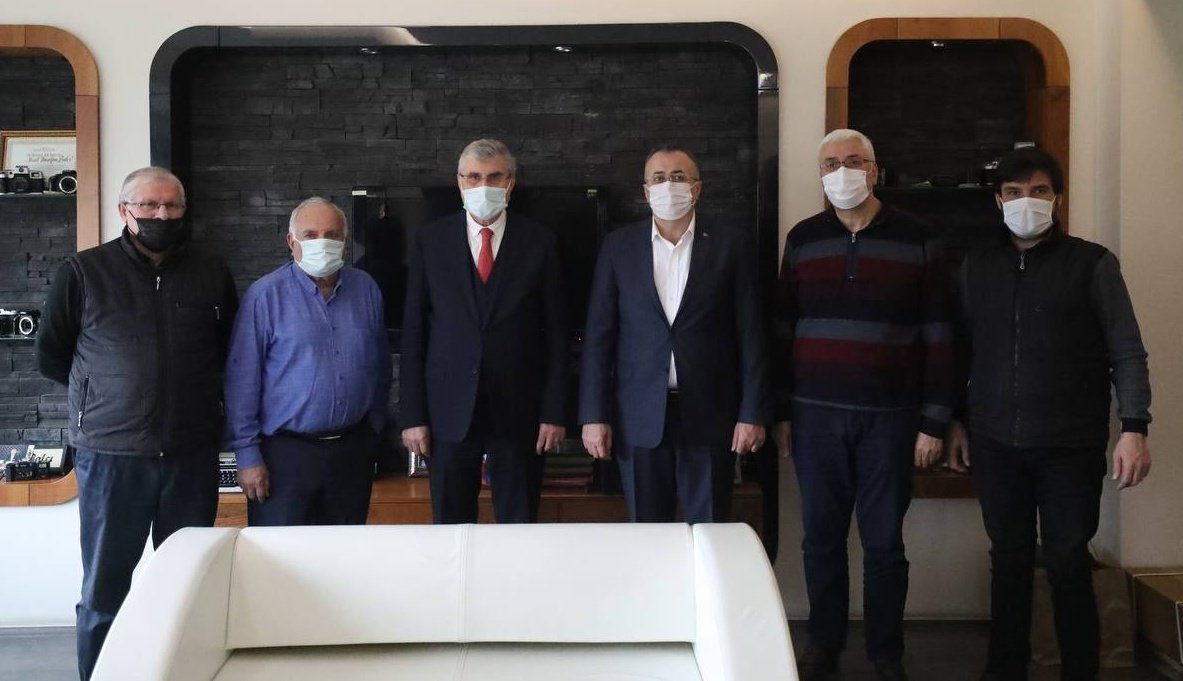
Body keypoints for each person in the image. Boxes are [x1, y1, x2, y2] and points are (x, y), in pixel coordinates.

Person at [947, 147, 1152, 681]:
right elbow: (961, 350)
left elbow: (1127, 350)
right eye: (1014, 192)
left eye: (1039, 190)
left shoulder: (1093, 263)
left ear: (1057, 198)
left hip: (1071, 445)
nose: (1027, 201)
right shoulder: (976, 265)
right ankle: (1004, 670)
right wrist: (956, 420)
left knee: (1067, 562)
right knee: (1009, 560)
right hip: (994, 440)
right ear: (998, 201)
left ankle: (1080, 671)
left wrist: (1134, 427)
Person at [34, 166, 238, 681]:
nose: (161, 215)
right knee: (105, 590)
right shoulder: (83, 272)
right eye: (149, 205)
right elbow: (52, 355)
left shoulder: (211, 271)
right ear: (125, 210)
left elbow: (226, 351)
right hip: (111, 457)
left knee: (188, 585)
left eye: (172, 206)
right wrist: (106, 397)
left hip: (190, 454)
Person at [772, 129, 953, 681]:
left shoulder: (919, 238)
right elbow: (782, 330)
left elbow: (940, 333)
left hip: (891, 420)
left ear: (874, 171)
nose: (842, 171)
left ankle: (885, 653)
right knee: (821, 541)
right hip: (814, 417)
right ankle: (824, 646)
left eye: (853, 161)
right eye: (830, 164)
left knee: (884, 544)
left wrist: (934, 421)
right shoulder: (803, 239)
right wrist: (781, 413)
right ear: (820, 175)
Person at [580, 145, 769, 524]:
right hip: (639, 416)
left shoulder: (730, 245)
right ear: (646, 191)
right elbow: (599, 336)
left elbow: (752, 334)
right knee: (650, 537)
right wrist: (593, 415)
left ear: (697, 189)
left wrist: (752, 413)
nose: (669, 185)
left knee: (709, 534)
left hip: (711, 414)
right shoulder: (619, 247)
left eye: (679, 177)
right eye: (659, 178)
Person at [399, 138, 567, 524]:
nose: (483, 185)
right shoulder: (430, 241)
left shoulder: (540, 241)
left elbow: (557, 335)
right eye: (473, 177)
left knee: (519, 524)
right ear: (459, 182)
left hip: (520, 411)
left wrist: (555, 411)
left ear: (510, 182)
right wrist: (412, 416)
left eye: (494, 177)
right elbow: (414, 334)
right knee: (451, 526)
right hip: (447, 411)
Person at [224, 196, 390, 526]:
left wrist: (374, 430)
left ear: (345, 240)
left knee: (343, 551)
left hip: (352, 452)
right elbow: (242, 381)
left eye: (332, 234)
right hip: (285, 456)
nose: (322, 242)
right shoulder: (264, 296)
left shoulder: (366, 289)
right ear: (292, 242)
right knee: (279, 553)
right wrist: (246, 454)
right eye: (310, 235)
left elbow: (380, 365)